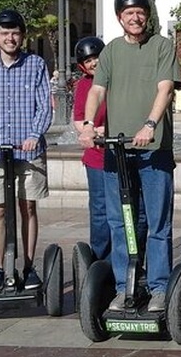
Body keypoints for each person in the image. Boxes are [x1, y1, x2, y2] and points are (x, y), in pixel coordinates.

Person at [77, 0, 180, 313]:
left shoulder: (162, 46)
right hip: (117, 153)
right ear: (120, 17)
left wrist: (150, 124)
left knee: (158, 223)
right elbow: (96, 90)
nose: (135, 18)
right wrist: (89, 123)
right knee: (120, 222)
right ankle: (125, 287)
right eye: (128, 13)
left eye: (140, 12)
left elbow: (165, 88)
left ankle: (160, 287)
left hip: (154, 150)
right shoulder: (110, 52)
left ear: (146, 15)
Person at [0, 9, 53, 293]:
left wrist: (33, 134)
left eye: (15, 33)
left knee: (28, 207)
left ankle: (28, 266)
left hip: (27, 151)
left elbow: (44, 106)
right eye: (4, 33)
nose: (10, 38)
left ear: (22, 36)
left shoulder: (36, 64)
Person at [72, 36, 112, 262]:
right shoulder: (84, 86)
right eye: (88, 61)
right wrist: (94, 131)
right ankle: (100, 258)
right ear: (82, 65)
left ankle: (123, 255)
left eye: (97, 58)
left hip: (118, 152)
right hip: (96, 156)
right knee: (99, 209)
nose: (93, 63)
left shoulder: (115, 80)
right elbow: (78, 119)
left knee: (124, 209)